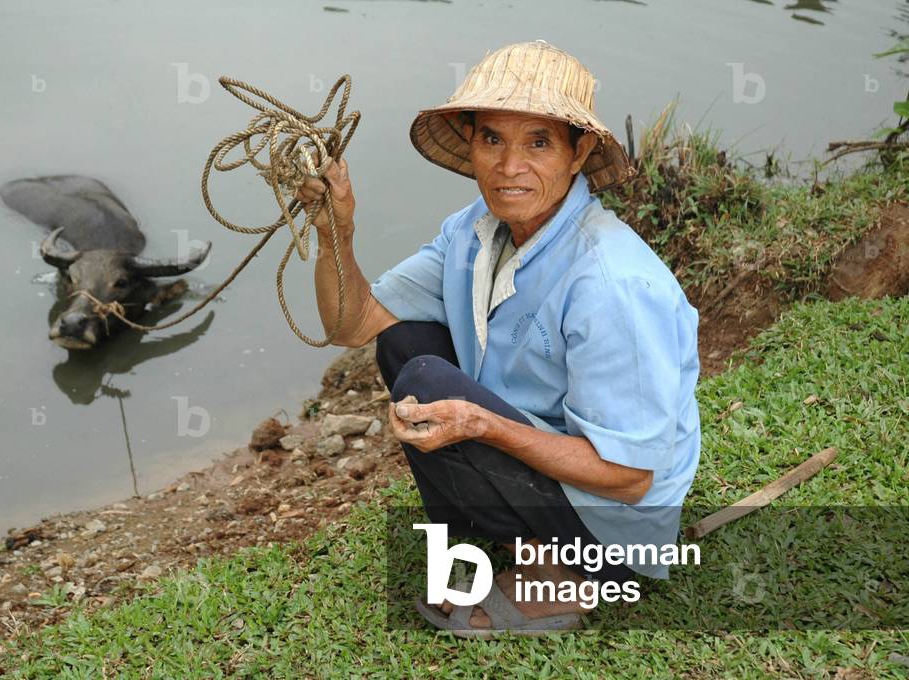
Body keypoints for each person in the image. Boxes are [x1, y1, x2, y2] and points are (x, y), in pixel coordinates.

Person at [296, 40, 700, 636]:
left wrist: (482, 426)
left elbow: (632, 478)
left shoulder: (611, 283)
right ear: (471, 143)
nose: (510, 167)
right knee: (402, 343)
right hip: (547, 459)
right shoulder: (474, 233)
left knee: (428, 379)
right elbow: (351, 323)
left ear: (577, 151)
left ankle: (573, 569)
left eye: (538, 142)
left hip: (616, 518)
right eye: (493, 140)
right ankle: (507, 532)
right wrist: (336, 229)